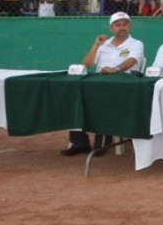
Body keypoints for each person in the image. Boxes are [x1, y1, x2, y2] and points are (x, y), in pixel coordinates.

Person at [61, 11, 145, 157]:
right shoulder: (103, 44)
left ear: (129, 26)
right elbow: (87, 65)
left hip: (123, 86)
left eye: (125, 24)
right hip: (98, 83)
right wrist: (95, 45)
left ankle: (102, 142)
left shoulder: (136, 44)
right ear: (111, 28)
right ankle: (80, 143)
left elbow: (131, 61)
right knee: (75, 96)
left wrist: (115, 69)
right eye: (118, 25)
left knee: (105, 98)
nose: (122, 27)